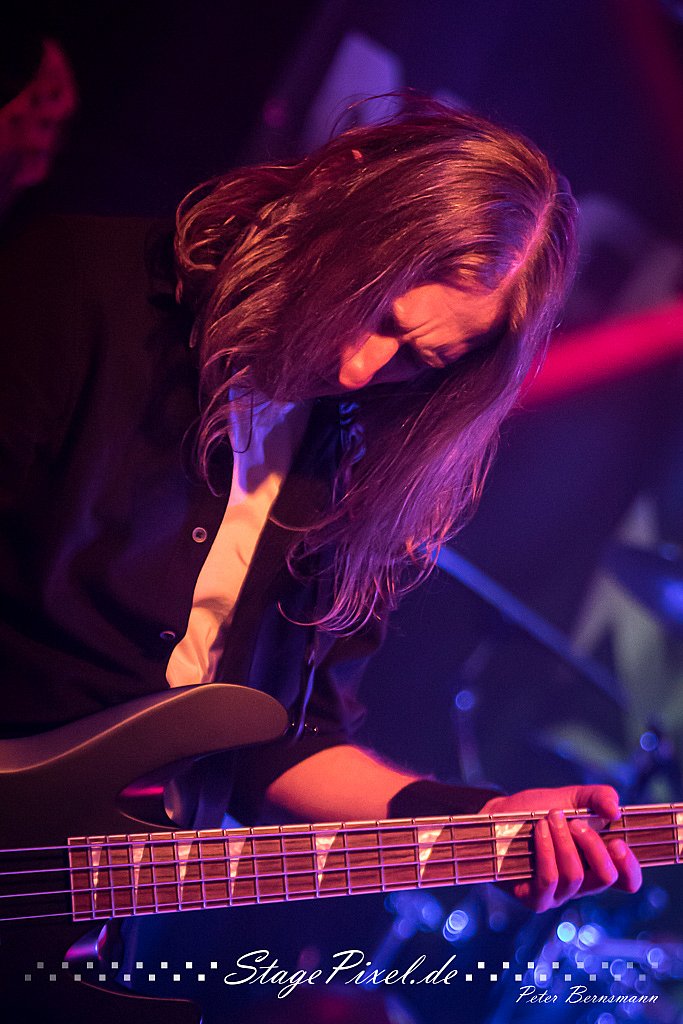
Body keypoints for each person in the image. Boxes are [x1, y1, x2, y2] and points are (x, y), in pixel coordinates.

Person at [0, 97, 640, 975]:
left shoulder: (355, 473)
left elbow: (275, 748)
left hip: (86, 926)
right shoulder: (81, 290)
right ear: (339, 195)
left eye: (419, 359)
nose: (358, 368)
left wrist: (481, 821)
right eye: (373, 309)